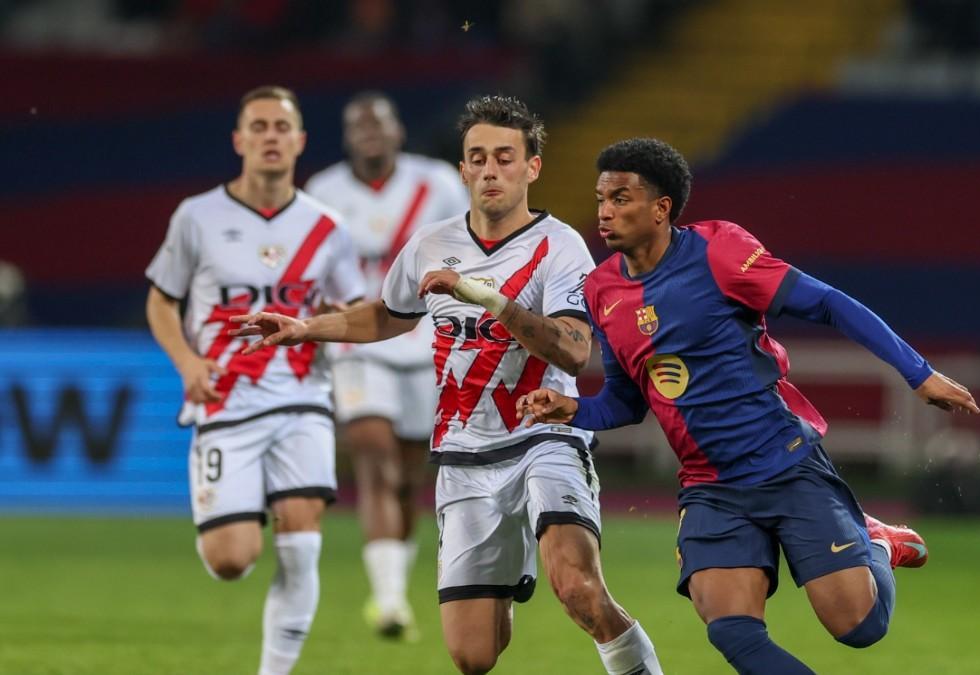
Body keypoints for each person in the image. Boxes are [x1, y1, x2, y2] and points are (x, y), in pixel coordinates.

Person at [230, 96, 663, 675]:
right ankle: (514, 561)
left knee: (579, 589)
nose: (490, 170)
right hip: (464, 454)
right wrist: (305, 327)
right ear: (462, 169)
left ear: (531, 167)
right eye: (477, 157)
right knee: (472, 654)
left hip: (545, 439)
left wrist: (485, 296)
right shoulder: (430, 244)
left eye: (505, 158)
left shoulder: (559, 246)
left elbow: (573, 347)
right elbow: (388, 314)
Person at [518, 138, 980, 674]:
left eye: (622, 198)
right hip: (710, 487)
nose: (605, 211)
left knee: (859, 628)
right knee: (732, 629)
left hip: (783, 461)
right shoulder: (601, 290)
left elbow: (828, 303)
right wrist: (572, 409)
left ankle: (875, 542)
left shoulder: (720, 251)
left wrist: (918, 374)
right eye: (601, 198)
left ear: (661, 208)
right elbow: (626, 402)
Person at [145, 86, 365, 675]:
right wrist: (188, 365)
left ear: (299, 141)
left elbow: (356, 309)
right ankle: (239, 512)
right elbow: (161, 302)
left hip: (302, 401)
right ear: (240, 140)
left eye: (281, 127)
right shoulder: (197, 216)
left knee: (301, 541)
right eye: (259, 126)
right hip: (225, 400)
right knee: (231, 559)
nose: (271, 136)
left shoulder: (328, 228)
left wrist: (326, 330)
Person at [306, 91, 469, 640]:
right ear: (348, 137)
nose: (370, 134)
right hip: (360, 344)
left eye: (380, 124)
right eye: (359, 126)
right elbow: (311, 272)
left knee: (408, 479)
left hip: (427, 345)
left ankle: (396, 586)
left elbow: (466, 253)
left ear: (400, 131)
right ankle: (390, 600)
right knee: (374, 462)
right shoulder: (322, 194)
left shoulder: (439, 183)